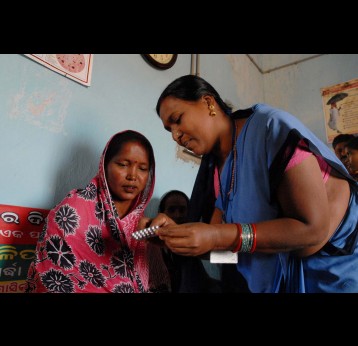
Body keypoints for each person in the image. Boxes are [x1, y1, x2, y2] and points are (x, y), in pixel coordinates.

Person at [143, 74, 358, 293]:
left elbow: (313, 229)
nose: (176, 136)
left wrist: (217, 236)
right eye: (169, 130)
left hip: (337, 273)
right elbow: (229, 252)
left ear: (208, 102)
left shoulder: (270, 128)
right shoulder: (217, 169)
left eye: (177, 119)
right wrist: (179, 240)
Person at [25, 130, 170, 293]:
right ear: (104, 166)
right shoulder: (71, 213)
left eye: (143, 168)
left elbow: (157, 283)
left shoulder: (144, 227)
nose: (133, 176)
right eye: (123, 165)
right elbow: (47, 277)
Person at [158, 190, 221, 292]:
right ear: (161, 213)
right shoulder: (154, 248)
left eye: (182, 210)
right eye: (171, 210)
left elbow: (226, 256)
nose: (177, 215)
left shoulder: (198, 241)